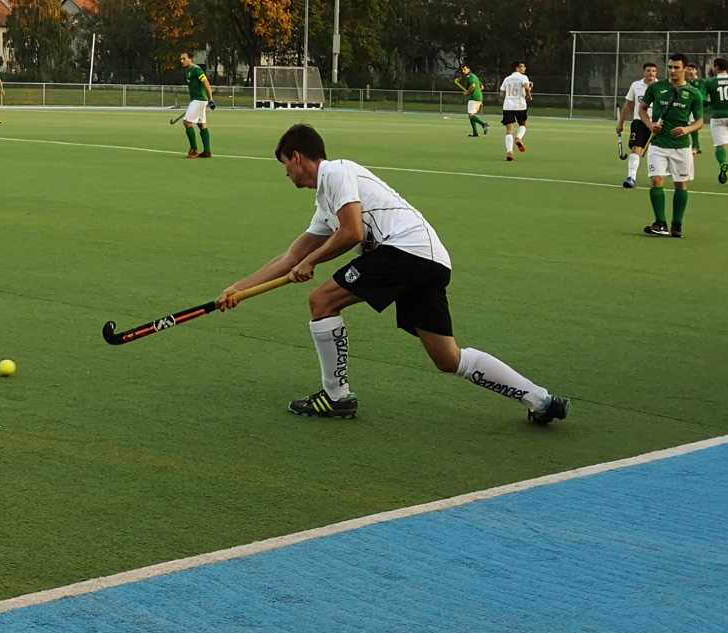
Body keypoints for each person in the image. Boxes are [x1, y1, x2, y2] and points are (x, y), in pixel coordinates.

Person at [216, 123, 570, 424]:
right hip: (428, 260)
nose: (286, 174)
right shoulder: (325, 204)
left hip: (404, 251)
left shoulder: (337, 172)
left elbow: (352, 232)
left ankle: (336, 397)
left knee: (322, 301)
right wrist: (238, 288)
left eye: (285, 166)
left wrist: (312, 263)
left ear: (296, 157)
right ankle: (540, 400)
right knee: (448, 358)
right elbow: (293, 254)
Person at [640, 53, 703, 238]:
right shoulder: (656, 88)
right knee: (656, 180)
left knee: (680, 184)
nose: (673, 70)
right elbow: (642, 109)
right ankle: (660, 223)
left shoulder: (693, 93)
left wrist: (687, 129)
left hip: (681, 146)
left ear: (685, 68)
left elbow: (700, 121)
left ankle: (677, 225)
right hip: (658, 144)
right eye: (670, 67)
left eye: (676, 67)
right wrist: (650, 125)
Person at [616, 62, 659, 188]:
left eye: (653, 71)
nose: (650, 73)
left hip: (656, 123)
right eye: (648, 70)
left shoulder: (661, 87)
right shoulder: (636, 85)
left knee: (656, 151)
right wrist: (621, 123)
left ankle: (659, 176)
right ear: (644, 72)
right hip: (639, 122)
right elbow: (628, 105)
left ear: (656, 73)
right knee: (636, 149)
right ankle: (631, 178)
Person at [179, 51, 215, 158]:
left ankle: (194, 150)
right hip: (196, 100)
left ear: (190, 59)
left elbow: (206, 83)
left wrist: (211, 99)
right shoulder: (187, 71)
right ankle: (207, 152)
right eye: (181, 59)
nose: (182, 61)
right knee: (201, 124)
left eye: (184, 58)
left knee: (187, 122)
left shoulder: (196, 69)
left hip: (199, 100)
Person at [499, 61, 533, 161]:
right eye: (523, 67)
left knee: (509, 130)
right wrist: (529, 95)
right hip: (520, 105)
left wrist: (507, 98)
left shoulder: (507, 78)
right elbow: (526, 87)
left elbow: (502, 92)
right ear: (517, 68)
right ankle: (518, 138)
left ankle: (509, 152)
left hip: (507, 106)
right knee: (523, 124)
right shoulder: (523, 77)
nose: (524, 68)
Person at [703, 57, 728, 184]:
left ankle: (723, 163)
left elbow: (704, 101)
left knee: (720, 146)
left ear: (717, 67)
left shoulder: (710, 82)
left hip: (718, 116)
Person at [457, 64, 489, 137]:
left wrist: (467, 93)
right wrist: (476, 91)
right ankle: (475, 133)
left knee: (471, 115)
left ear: (469, 69)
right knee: (471, 115)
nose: (463, 71)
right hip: (479, 97)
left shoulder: (470, 77)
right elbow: (482, 87)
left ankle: (484, 124)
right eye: (462, 69)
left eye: (464, 69)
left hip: (474, 98)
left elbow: (473, 86)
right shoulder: (475, 76)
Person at [684, 62, 706, 156]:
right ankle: (694, 147)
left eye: (692, 69)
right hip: (686, 106)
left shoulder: (701, 82)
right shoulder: (685, 81)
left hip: (695, 107)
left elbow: (701, 95)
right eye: (688, 69)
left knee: (694, 125)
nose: (690, 71)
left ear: (696, 71)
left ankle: (695, 147)